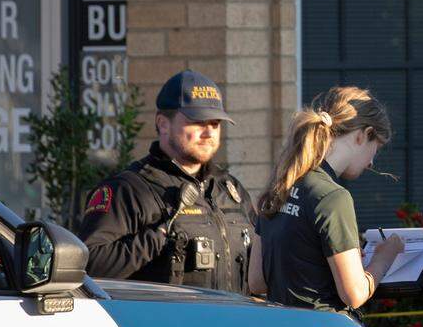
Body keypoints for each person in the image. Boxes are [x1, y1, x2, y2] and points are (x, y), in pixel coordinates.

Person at [78, 69, 255, 294]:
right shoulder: (129, 190)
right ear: (163, 124)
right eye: (198, 122)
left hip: (235, 322)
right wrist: (158, 237)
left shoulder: (229, 189)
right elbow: (90, 264)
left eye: (215, 123)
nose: (209, 133)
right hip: (165, 325)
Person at [249, 86, 404, 313]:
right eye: (376, 148)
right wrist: (384, 257)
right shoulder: (333, 197)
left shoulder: (281, 185)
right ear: (363, 135)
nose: (371, 162)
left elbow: (257, 282)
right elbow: (354, 294)